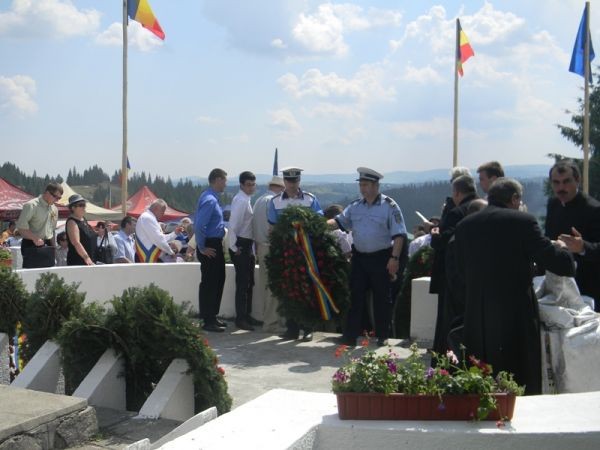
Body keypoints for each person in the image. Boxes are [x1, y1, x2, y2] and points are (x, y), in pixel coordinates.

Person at [455, 178, 575, 395]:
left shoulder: (465, 226)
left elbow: (461, 272)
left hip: (477, 315)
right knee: (519, 377)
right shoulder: (522, 221)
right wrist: (564, 249)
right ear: (514, 198)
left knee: (481, 378)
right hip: (515, 313)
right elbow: (557, 262)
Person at [328, 167, 407, 347]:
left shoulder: (389, 206)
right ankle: (350, 335)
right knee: (354, 296)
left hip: (381, 257)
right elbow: (339, 221)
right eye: (361, 184)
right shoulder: (355, 206)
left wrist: (394, 258)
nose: (362, 188)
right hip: (359, 258)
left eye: (365, 184)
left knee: (382, 298)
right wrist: (318, 224)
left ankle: (382, 335)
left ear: (376, 185)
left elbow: (399, 235)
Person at [268, 166, 323, 342]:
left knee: (306, 290)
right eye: (289, 180)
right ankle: (291, 329)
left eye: (295, 180)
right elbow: (272, 228)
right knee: (288, 290)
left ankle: (307, 329)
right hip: (286, 252)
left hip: (306, 251)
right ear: (284, 181)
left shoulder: (310, 199)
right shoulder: (275, 202)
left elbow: (319, 222)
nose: (292, 184)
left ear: (299, 180)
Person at [430, 174, 478, 354]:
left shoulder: (456, 212)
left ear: (457, 193)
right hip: (472, 273)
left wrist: (434, 233)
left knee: (447, 320)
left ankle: (445, 356)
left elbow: (443, 241)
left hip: (451, 275)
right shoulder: (480, 207)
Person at [545, 160, 600, 311]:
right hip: (559, 285)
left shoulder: (594, 209)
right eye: (556, 182)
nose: (561, 188)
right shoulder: (553, 204)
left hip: (587, 285)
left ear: (577, 180)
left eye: (566, 181)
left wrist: (582, 247)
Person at [194, 168, 228, 332]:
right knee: (211, 282)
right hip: (211, 245)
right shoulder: (210, 200)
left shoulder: (210, 197)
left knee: (217, 279)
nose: (225, 184)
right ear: (218, 180)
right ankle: (208, 319)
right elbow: (199, 225)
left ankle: (212, 316)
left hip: (213, 243)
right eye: (224, 180)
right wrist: (202, 247)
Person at [228, 171, 262, 331]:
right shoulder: (241, 201)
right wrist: (234, 247)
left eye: (253, 184)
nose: (251, 187)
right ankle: (241, 318)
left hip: (247, 244)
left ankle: (246, 315)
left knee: (249, 282)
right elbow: (233, 225)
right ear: (241, 185)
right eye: (248, 185)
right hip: (241, 244)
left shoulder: (245, 199)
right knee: (243, 284)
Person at [252, 175, 285, 333]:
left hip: (261, 246)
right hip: (271, 247)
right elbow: (273, 228)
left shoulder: (259, 200)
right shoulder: (273, 201)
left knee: (265, 286)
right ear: (281, 188)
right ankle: (272, 323)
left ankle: (267, 319)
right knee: (273, 287)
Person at [15, 182, 63, 268]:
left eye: (59, 198)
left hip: (48, 244)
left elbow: (52, 231)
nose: (57, 200)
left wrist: (54, 249)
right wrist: (35, 238)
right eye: (55, 197)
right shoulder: (31, 205)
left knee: (49, 274)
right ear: (47, 193)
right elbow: (21, 228)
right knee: (32, 274)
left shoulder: (55, 209)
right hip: (31, 244)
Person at [65, 194, 96, 266]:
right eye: (81, 205)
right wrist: (87, 258)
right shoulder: (72, 222)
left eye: (84, 204)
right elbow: (76, 242)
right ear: (73, 208)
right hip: (79, 261)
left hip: (89, 261)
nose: (84, 207)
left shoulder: (83, 220)